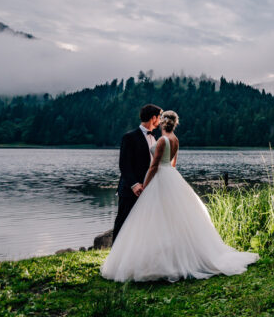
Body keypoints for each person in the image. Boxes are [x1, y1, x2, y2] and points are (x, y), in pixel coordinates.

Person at [101, 110, 259, 282]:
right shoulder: (175, 140)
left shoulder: (162, 140)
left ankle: (162, 258)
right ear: (174, 124)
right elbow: (173, 163)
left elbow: (154, 166)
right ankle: (174, 255)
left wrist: (145, 186)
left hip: (160, 177)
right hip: (171, 176)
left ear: (162, 123)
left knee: (156, 218)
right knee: (173, 218)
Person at [113, 104, 162, 241]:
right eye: (159, 117)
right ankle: (115, 254)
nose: (160, 120)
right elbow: (124, 165)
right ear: (153, 118)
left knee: (143, 223)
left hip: (147, 189)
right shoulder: (129, 137)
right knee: (123, 221)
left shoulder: (154, 138)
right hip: (130, 189)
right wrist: (134, 184)